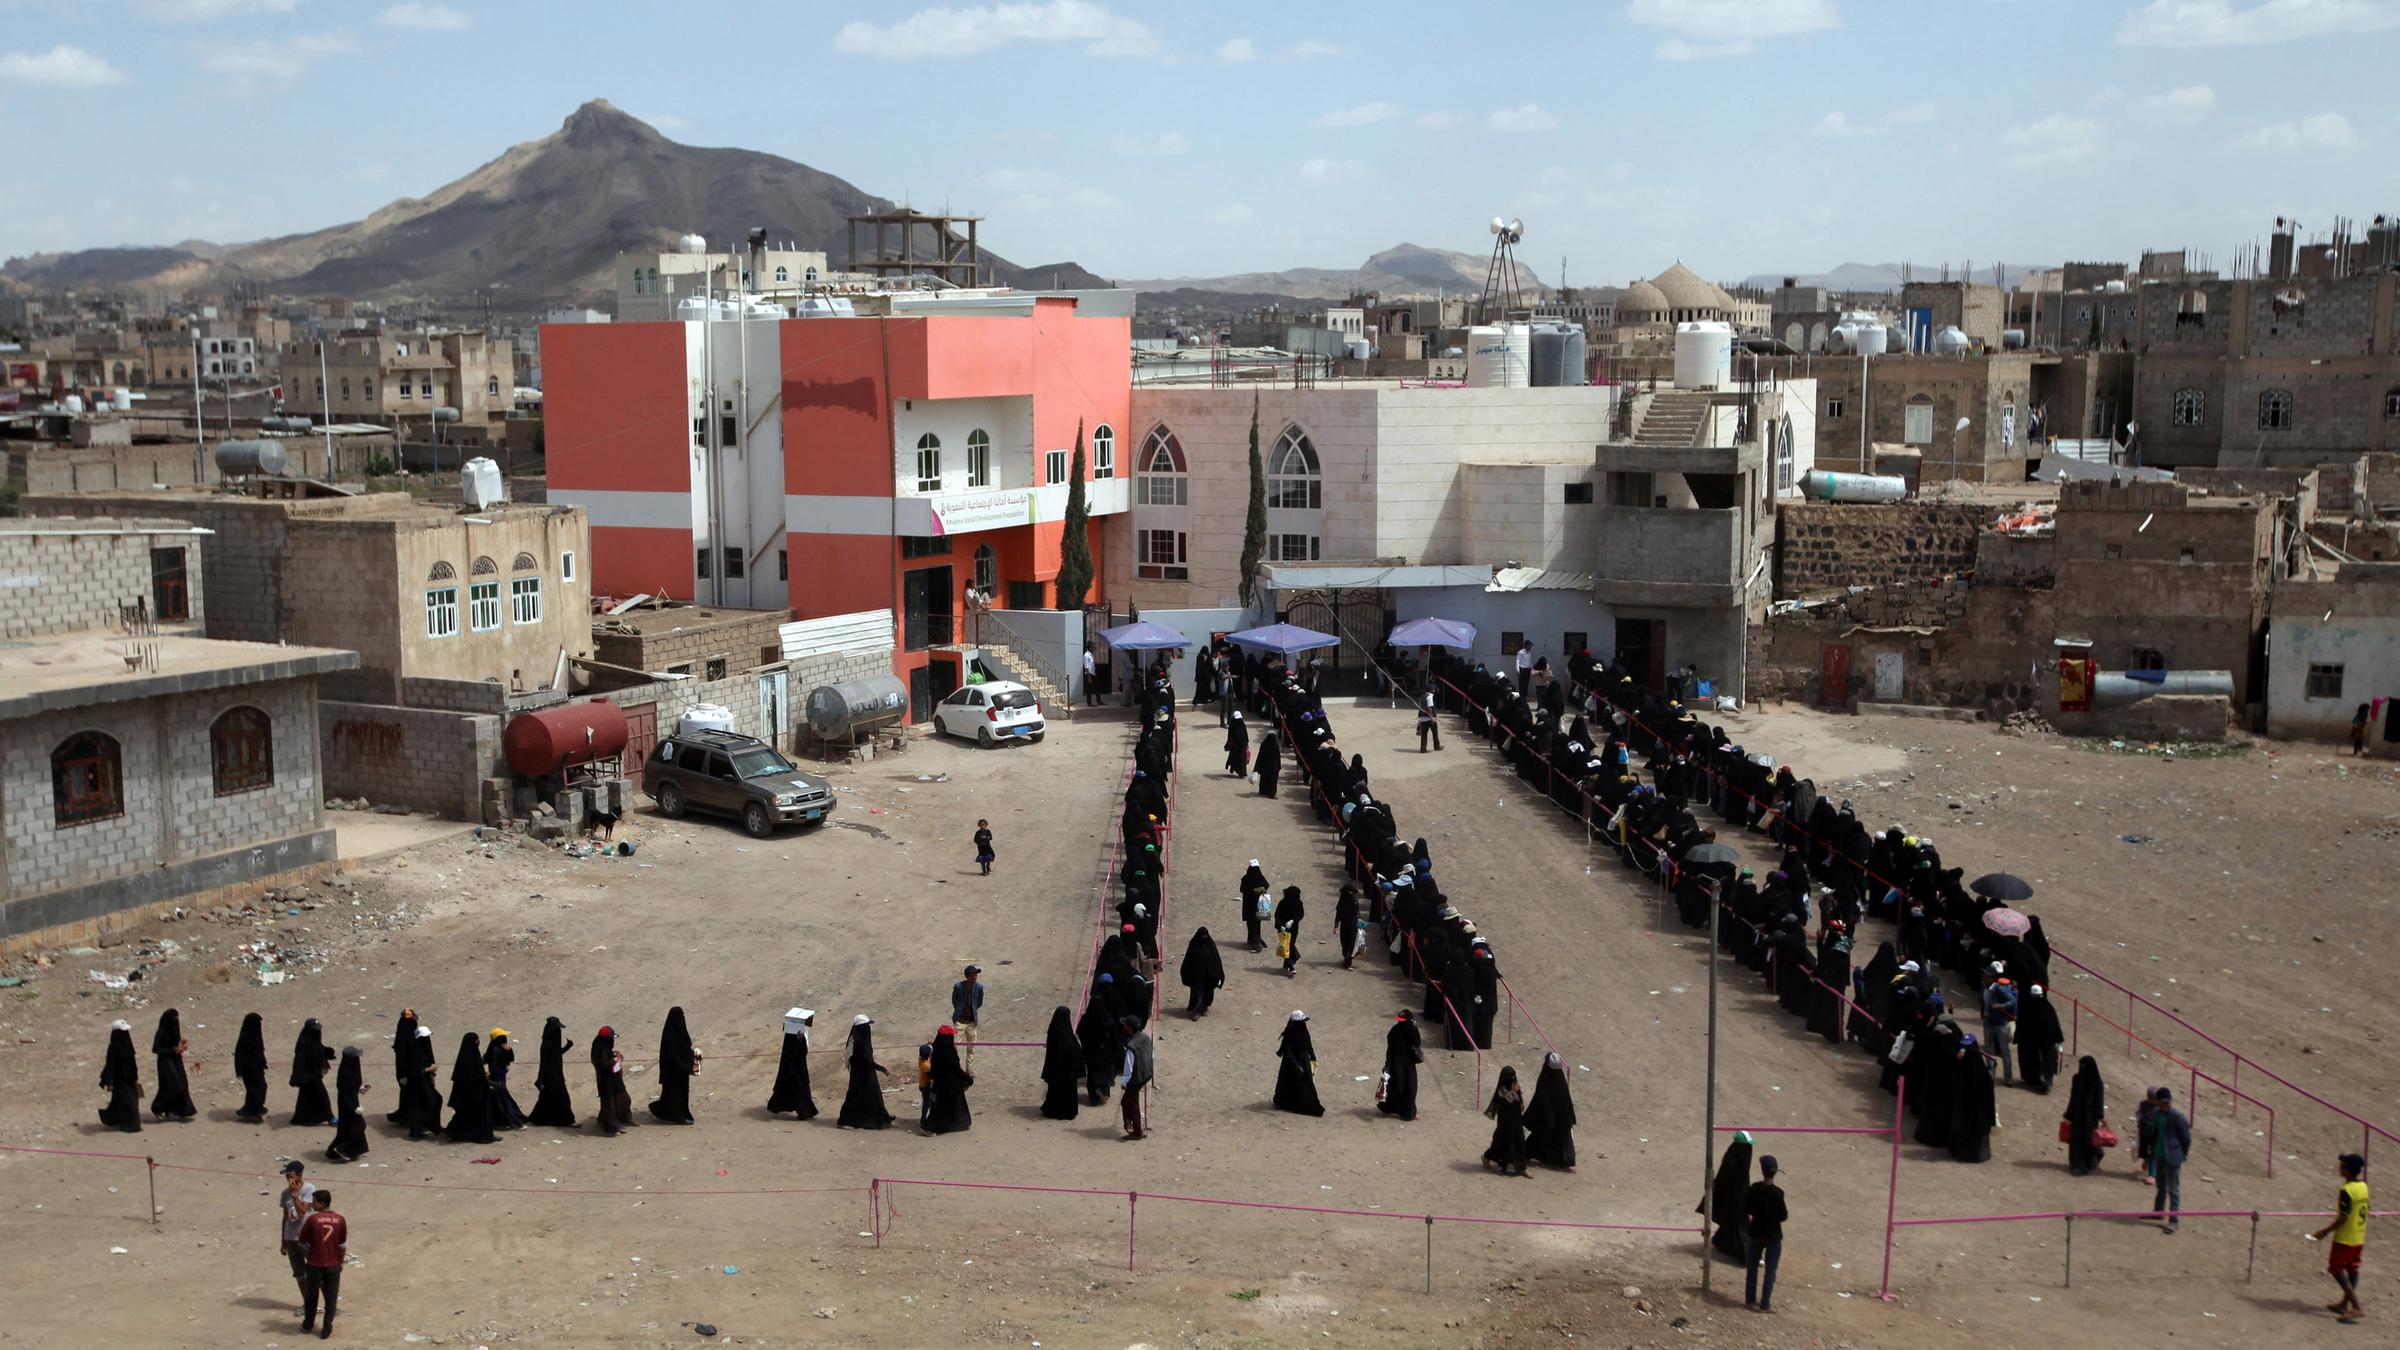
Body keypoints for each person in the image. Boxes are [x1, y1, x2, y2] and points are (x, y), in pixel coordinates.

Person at [2313, 1153, 2370, 1324]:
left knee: (2336, 1269)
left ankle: (2356, 1306)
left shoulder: (2347, 1190)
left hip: (2345, 1237)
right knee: (2352, 1269)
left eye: (2342, 1165)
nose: (2339, 1167)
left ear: (2347, 1170)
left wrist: (2325, 1231)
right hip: (2359, 1235)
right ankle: (2344, 1304)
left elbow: (2344, 1216)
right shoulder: (2363, 1186)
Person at [296, 1188, 346, 1339]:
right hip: (332, 1264)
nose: (312, 1204)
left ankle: (308, 1324)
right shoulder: (340, 1219)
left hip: (315, 1264)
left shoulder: (313, 1219)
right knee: (331, 1299)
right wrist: (340, 1262)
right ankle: (326, 1329)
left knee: (311, 1296)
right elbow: (342, 1244)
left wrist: (311, 1250)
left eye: (315, 1201)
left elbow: (302, 1240)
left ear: (322, 1203)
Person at [1743, 1156, 1789, 1314]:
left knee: (1752, 1268)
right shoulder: (1778, 1193)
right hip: (1772, 1234)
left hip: (1756, 1232)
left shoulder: (1754, 1188)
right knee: (1770, 1271)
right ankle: (1764, 1304)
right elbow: (1783, 1216)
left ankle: (1750, 1300)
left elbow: (1747, 1208)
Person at [1703, 1131, 1755, 1259]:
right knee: (1740, 1227)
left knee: (1731, 1225)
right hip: (1735, 1201)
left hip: (1733, 1200)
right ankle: (1745, 1255)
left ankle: (1721, 1242)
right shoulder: (1736, 1162)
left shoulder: (1734, 1158)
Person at [837, 1015, 894, 1129]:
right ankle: (846, 1121)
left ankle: (881, 1117)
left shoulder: (859, 1039)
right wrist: (883, 1069)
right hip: (860, 1075)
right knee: (855, 1097)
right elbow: (866, 1059)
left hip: (866, 1073)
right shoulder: (859, 1042)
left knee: (872, 1095)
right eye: (867, 1026)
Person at [1524, 1051, 1578, 1170]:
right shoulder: (1559, 1079)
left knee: (1542, 1136)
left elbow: (1540, 1099)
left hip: (1549, 1117)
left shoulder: (1546, 1078)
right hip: (1555, 1118)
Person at [648, 1006, 699, 1124]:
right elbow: (672, 1056)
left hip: (681, 1071)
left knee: (680, 1095)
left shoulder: (680, 1032)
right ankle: (677, 1117)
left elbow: (686, 1046)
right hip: (672, 1072)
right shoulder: (670, 1036)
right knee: (674, 1095)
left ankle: (680, 1115)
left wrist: (692, 1058)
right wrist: (685, 1066)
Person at [276, 1161, 315, 1313]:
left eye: (291, 1175)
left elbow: (301, 1212)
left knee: (317, 1270)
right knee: (299, 1273)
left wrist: (295, 1196)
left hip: (307, 1237)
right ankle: (308, 1304)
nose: (288, 1179)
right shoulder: (284, 1193)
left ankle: (329, 1304)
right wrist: (283, 1241)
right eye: (286, 1176)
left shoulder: (308, 1189)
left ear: (299, 1175)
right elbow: (285, 1217)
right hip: (291, 1238)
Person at [445, 1032, 496, 1144]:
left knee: (463, 1115)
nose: (478, 1042)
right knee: (479, 1114)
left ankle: (457, 1133)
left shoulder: (463, 1057)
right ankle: (480, 1135)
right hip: (475, 1093)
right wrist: (484, 1077)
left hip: (463, 1095)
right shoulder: (473, 1057)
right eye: (476, 1040)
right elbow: (474, 1077)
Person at [2152, 1087, 2191, 1232]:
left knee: (2173, 1189)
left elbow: (2186, 1139)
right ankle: (2158, 1211)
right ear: (2158, 1102)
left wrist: (2182, 1154)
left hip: (2173, 1157)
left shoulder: (2177, 1117)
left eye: (2168, 1102)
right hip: (2160, 1154)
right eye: (2163, 1103)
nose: (2166, 1105)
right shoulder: (2156, 1114)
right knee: (2160, 1185)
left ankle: (2173, 1220)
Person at [768, 1008, 818, 1119]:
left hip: (791, 1067)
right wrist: (801, 1042)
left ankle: (778, 1106)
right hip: (796, 1068)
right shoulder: (797, 1034)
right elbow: (801, 1052)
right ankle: (804, 1112)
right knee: (800, 1089)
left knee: (789, 1088)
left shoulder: (792, 1033)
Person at [1272, 1010, 1325, 1116]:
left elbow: (1308, 1043)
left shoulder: (1303, 1031)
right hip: (1291, 1064)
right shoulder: (1290, 1035)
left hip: (1303, 1061)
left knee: (1306, 1085)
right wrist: (1297, 1066)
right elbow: (1288, 1052)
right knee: (1292, 1084)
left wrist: (1313, 1057)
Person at [2013, 984, 2064, 1094]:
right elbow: (2054, 1024)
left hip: (2037, 1039)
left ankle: (2040, 1080)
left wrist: (2019, 1036)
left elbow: (2021, 1023)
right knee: (2045, 1059)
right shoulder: (2047, 1008)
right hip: (2043, 1039)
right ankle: (2041, 1080)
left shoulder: (2028, 1007)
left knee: (2040, 1059)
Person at [528, 1017, 577, 1128]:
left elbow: (557, 1054)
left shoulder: (553, 1042)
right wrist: (540, 1079)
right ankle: (568, 1120)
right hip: (551, 1076)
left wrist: (567, 1047)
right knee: (563, 1098)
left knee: (546, 1099)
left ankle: (537, 1118)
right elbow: (543, 1062)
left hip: (556, 1074)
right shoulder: (546, 1044)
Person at [150, 1008, 197, 1122]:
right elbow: (156, 1049)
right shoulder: (161, 1032)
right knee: (172, 1085)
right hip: (165, 1062)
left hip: (176, 1060)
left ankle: (176, 1111)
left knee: (182, 1084)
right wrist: (173, 1050)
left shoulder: (175, 1031)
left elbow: (177, 1046)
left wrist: (181, 1046)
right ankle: (157, 1108)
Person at [924, 1026, 974, 1134]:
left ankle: (946, 1125)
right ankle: (930, 1127)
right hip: (950, 1085)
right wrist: (967, 1078)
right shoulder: (949, 1052)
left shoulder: (936, 1049)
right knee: (946, 1106)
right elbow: (956, 1069)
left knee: (940, 1106)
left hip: (940, 1083)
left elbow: (934, 1068)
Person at [2063, 1056, 2108, 1176]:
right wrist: (2068, 1115)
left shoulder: (2097, 1083)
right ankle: (2076, 1165)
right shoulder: (2076, 1079)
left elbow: (2099, 1101)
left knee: (2088, 1139)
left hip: (2090, 1117)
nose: (2082, 1068)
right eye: (2080, 1066)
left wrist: (2101, 1117)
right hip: (2077, 1114)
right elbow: (2073, 1097)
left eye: (2084, 1066)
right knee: (2075, 1139)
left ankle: (2091, 1160)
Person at [1482, 1065, 1529, 1175]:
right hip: (1505, 1121)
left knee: (1520, 1141)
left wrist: (1517, 1094)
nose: (1512, 1079)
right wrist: (1513, 1093)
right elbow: (1508, 1101)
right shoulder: (1501, 1090)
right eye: (1510, 1077)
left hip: (1516, 1119)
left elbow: (1519, 1101)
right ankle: (1487, 1157)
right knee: (1500, 1141)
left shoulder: (1515, 1084)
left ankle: (1522, 1168)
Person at [398, 1024, 442, 1141]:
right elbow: (414, 1071)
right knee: (432, 1101)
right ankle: (421, 1128)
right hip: (418, 1084)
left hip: (423, 1082)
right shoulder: (415, 1052)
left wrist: (431, 1075)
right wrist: (430, 1069)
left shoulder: (422, 1049)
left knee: (427, 1103)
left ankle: (427, 1127)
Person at [98, 1019, 143, 1133]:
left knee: (127, 1101)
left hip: (129, 1078)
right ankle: (129, 1125)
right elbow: (110, 1066)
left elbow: (132, 1062)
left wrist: (135, 1077)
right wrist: (110, 1083)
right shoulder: (113, 1047)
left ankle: (113, 1119)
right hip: (119, 1080)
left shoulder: (128, 1045)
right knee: (128, 1102)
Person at [289, 1018, 335, 1128]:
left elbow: (319, 1049)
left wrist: (327, 1052)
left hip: (312, 1075)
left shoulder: (312, 1040)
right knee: (322, 1096)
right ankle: (331, 1118)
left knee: (306, 1098)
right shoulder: (304, 1044)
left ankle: (302, 1118)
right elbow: (300, 1062)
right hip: (309, 1076)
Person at [326, 1048, 370, 1163]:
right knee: (358, 1126)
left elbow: (352, 1088)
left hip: (352, 1102)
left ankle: (341, 1150)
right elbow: (345, 1093)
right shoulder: (345, 1073)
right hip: (347, 1105)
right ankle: (343, 1149)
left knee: (348, 1128)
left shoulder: (351, 1071)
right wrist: (354, 1108)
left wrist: (361, 1089)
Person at [1039, 1006, 1083, 1120]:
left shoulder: (1053, 1032)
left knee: (1056, 1091)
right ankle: (1068, 1112)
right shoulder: (1067, 1035)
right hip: (1067, 1072)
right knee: (1067, 1092)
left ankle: (1054, 1111)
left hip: (1057, 1071)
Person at [1378, 1010, 1422, 1121]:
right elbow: (1417, 1042)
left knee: (1400, 1087)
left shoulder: (1397, 1029)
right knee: (1407, 1088)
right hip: (1400, 1063)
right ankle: (1407, 1112)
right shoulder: (1406, 1029)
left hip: (1403, 1063)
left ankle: (1401, 1110)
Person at [590, 1025, 632, 1136]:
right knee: (610, 1105)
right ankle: (611, 1127)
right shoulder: (601, 1050)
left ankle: (617, 1120)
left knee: (622, 1100)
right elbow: (603, 1064)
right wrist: (615, 1060)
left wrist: (613, 1054)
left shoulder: (601, 1047)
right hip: (607, 1081)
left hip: (613, 1079)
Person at [1980, 965, 2017, 1085]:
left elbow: (2012, 1001)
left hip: (2000, 1024)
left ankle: (2008, 1076)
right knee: (1988, 1049)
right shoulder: (1984, 987)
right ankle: (1990, 1072)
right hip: (1988, 1022)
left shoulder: (1998, 989)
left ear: (1992, 977)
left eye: (1986, 975)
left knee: (2004, 1051)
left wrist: (2001, 1006)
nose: (1984, 977)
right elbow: (1983, 1001)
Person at [1118, 1015, 1153, 1140]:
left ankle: (1137, 1132)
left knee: (1132, 1104)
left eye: (1125, 1025)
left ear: (1130, 1028)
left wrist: (1124, 1082)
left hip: (1135, 1078)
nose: (1124, 1027)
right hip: (1146, 1074)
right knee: (1126, 1101)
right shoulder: (1145, 1037)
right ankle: (1128, 1125)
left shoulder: (1131, 1045)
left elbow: (1128, 1066)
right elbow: (1151, 1054)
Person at [485, 1028, 527, 1129]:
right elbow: (495, 1068)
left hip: (499, 1078)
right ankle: (509, 1120)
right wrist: (504, 1071)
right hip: (498, 1079)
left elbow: (510, 1059)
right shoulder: (495, 1051)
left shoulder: (495, 1048)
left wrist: (508, 1050)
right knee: (503, 1100)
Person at [233, 1012, 271, 1123]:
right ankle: (251, 1113)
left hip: (257, 1067)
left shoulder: (255, 1035)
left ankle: (254, 1109)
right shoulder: (246, 1037)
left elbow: (259, 1052)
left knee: (258, 1089)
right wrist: (239, 1070)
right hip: (249, 1069)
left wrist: (263, 1063)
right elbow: (239, 1053)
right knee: (256, 1090)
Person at [1179, 928, 1225, 1017]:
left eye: (1205, 936)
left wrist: (1218, 975)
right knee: (1196, 993)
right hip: (1196, 975)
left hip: (1209, 975)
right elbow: (1188, 960)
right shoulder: (1193, 945)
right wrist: (1185, 973)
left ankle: (1203, 1008)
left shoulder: (1210, 946)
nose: (1204, 938)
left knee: (1207, 993)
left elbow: (1216, 961)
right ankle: (1196, 1010)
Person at [951, 965, 984, 1071]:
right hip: (960, 1021)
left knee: (971, 1047)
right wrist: (960, 1011)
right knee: (954, 1046)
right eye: (972, 975)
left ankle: (969, 1068)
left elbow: (979, 1003)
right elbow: (955, 1001)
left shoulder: (979, 987)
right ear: (967, 977)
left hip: (971, 1022)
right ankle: (955, 1067)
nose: (975, 977)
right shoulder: (958, 987)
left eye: (976, 975)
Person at [1274, 885, 1305, 976]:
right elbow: (1277, 915)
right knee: (1287, 947)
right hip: (1283, 930)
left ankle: (1286, 964)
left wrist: (1292, 920)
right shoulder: (1282, 903)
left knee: (1290, 946)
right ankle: (1291, 967)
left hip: (1293, 929)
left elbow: (1300, 914)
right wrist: (1280, 926)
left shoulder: (1298, 903)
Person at [1240, 861, 1270, 952]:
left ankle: (1256, 943)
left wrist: (1251, 891)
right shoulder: (1260, 877)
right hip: (1259, 906)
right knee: (1257, 924)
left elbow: (1242, 889)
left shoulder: (1246, 878)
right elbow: (1266, 886)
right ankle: (1255, 939)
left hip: (1249, 906)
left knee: (1251, 924)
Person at [1335, 885, 1362, 970]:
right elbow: (1338, 915)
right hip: (1347, 926)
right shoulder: (1344, 903)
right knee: (1346, 943)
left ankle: (1347, 961)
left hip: (1352, 926)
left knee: (1351, 943)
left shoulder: (1354, 901)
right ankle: (1347, 961)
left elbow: (1357, 913)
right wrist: (1336, 927)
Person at [1255, 731, 1282, 798]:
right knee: (1272, 780)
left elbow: (1260, 756)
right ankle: (1271, 793)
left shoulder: (1264, 744)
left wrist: (1257, 766)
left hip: (1264, 766)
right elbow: (1277, 757)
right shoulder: (1275, 745)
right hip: (1273, 767)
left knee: (1264, 778)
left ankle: (1263, 791)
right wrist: (1278, 766)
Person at [1225, 710, 1249, 777]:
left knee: (1241, 759)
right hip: (1235, 744)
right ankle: (1236, 769)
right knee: (1235, 757)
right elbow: (1230, 734)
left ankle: (1241, 772)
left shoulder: (1240, 723)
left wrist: (1246, 743)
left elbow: (1245, 734)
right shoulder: (1234, 723)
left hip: (1241, 744)